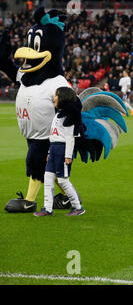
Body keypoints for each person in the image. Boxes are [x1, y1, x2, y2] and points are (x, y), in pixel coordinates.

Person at [34, 87, 85, 216]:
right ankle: (47, 208)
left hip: (63, 150)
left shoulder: (69, 116)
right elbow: (54, 135)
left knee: (63, 180)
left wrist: (68, 155)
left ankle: (77, 206)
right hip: (54, 149)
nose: (54, 98)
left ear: (62, 97)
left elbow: (70, 137)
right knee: (48, 177)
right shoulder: (59, 114)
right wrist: (50, 152)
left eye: (56, 95)